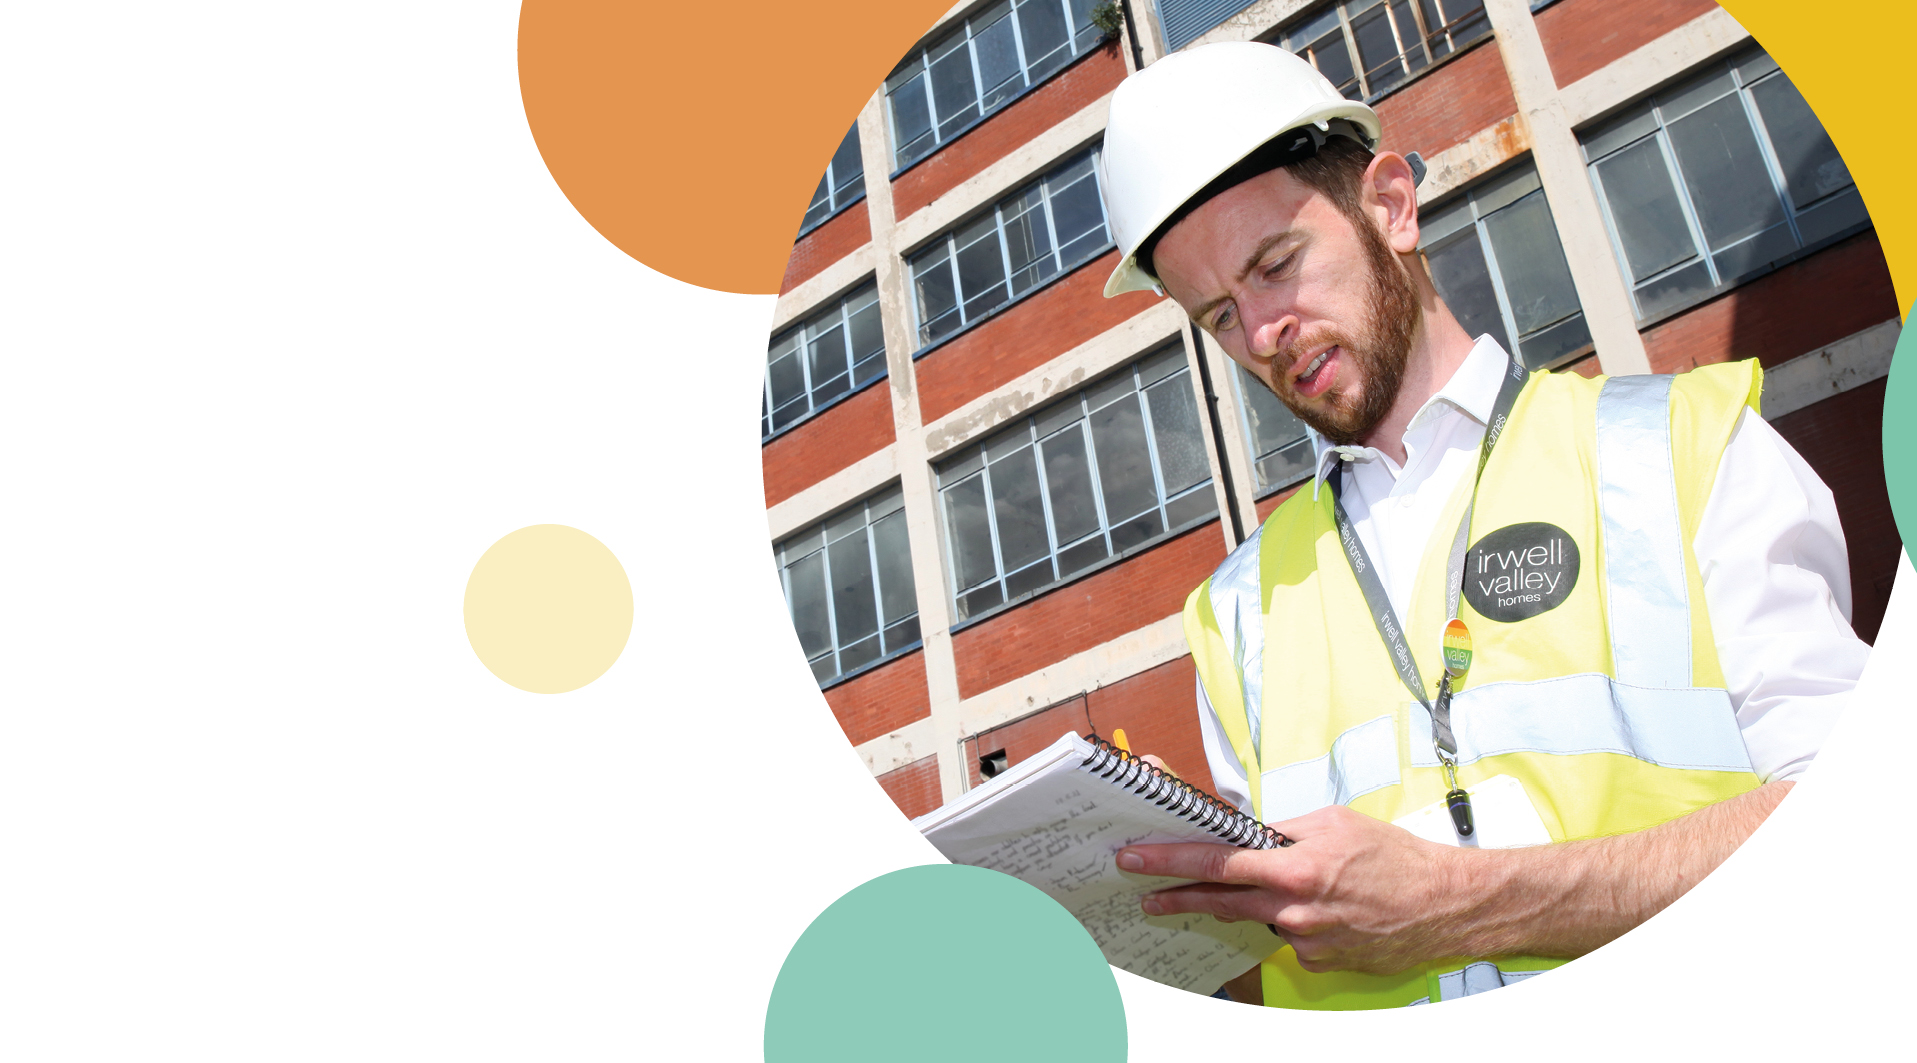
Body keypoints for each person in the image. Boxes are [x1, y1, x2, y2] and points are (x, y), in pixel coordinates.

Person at [1095, 42, 1869, 1009]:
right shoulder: (1233, 614)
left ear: (1389, 204)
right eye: (1217, 315)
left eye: (1276, 264)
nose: (1259, 335)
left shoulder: (1680, 450)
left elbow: (1864, 824)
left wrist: (1469, 904)